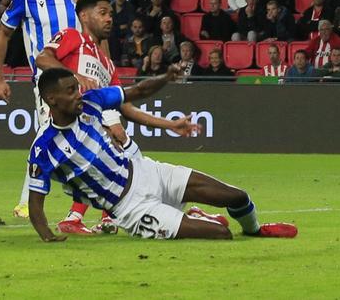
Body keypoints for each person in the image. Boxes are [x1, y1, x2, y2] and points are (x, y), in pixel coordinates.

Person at [27, 67, 298, 241]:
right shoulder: (44, 147)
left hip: (148, 171)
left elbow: (139, 90)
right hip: (131, 208)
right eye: (71, 90)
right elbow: (36, 201)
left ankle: (255, 230)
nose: (78, 94)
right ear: (52, 99)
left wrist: (166, 77)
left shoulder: (92, 102)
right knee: (221, 233)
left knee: (237, 196)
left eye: (77, 87)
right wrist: (46, 235)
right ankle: (197, 219)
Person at [33, 0, 188, 235]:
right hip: (69, 120)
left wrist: (169, 124)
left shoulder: (107, 64)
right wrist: (75, 77)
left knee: (126, 150)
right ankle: (84, 215)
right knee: (119, 146)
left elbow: (125, 106)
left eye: (111, 14)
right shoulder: (73, 37)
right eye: (102, 13)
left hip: (91, 117)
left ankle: (102, 215)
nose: (109, 19)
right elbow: (42, 57)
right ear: (84, 16)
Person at [0, 0, 94, 221]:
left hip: (84, 78)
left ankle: (87, 206)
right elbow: (3, 34)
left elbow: (97, 34)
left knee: (80, 137)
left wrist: (106, 68)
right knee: (52, 133)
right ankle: (32, 201)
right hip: (48, 80)